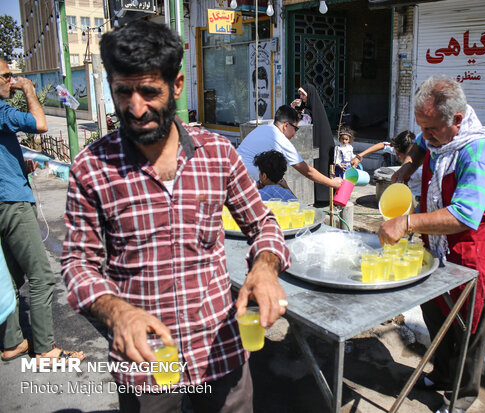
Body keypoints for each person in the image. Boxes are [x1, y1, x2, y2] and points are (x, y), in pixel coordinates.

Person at [61, 20, 290, 412]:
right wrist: (118, 314)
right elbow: (77, 263)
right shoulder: (90, 168)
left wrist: (265, 268)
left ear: (177, 85)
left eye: (149, 91)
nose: (136, 108)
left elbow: (262, 223)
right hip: (147, 363)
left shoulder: (217, 154)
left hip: (219, 352)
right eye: (123, 92)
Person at [379, 75, 485, 413]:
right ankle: (443, 373)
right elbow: (422, 144)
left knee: (470, 320)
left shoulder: (476, 150)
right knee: (435, 306)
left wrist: (407, 222)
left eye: (432, 128)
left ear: (457, 120)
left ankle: (462, 395)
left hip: (475, 237)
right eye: (421, 126)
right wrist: (408, 165)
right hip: (438, 233)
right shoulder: (436, 132)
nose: (426, 135)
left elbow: (465, 215)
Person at [0, 60, 85, 364]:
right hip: (11, 201)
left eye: (12, 76)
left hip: (6, 193)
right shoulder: (1, 109)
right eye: (6, 76)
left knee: (9, 275)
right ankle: (46, 349)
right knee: (41, 276)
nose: (12, 80)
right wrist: (29, 89)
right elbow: (40, 123)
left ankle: (12, 342)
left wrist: (16, 165)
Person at [237, 105, 342, 191]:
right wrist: (332, 183)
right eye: (296, 128)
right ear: (286, 125)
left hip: (233, 176)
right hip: (248, 184)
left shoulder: (262, 128)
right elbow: (307, 171)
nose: (295, 133)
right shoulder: (280, 139)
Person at [351, 129, 423, 203]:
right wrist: (359, 156)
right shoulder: (400, 148)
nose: (397, 155)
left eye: (398, 154)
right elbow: (382, 145)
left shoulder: (421, 164)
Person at [291, 83, 334, 203]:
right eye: (300, 94)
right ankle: (318, 197)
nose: (301, 97)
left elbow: (300, 124)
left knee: (321, 168)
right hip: (312, 144)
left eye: (303, 95)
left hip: (321, 144)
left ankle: (323, 198)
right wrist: (294, 106)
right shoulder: (306, 109)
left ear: (309, 95)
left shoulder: (312, 110)